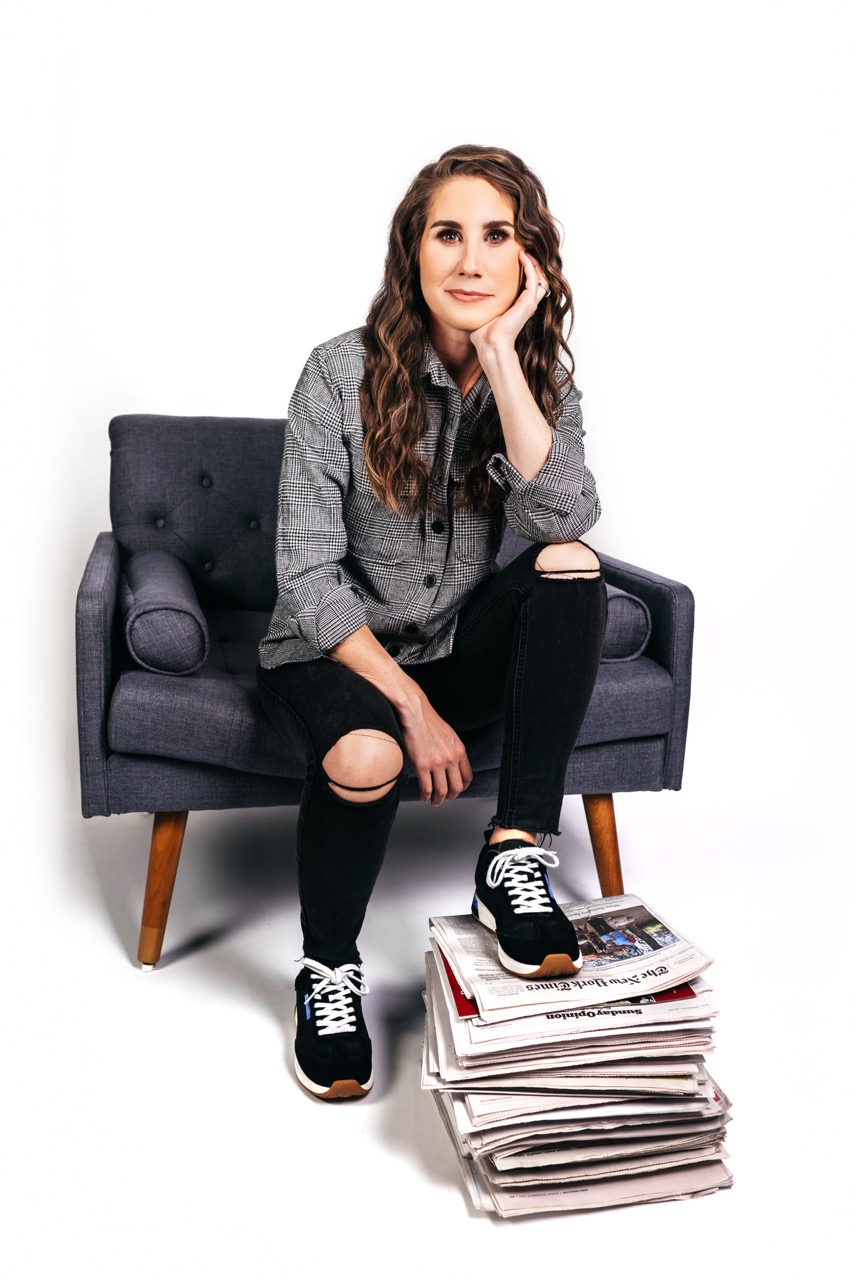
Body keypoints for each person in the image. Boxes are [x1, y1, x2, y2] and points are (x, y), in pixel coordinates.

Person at [257, 145, 608, 1101]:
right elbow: (303, 572)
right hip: (332, 654)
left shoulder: (536, 382)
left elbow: (565, 518)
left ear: (528, 260)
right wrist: (411, 708)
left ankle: (514, 854)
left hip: (454, 643)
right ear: (412, 251)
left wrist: (502, 357)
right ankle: (328, 969)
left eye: (496, 235)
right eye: (447, 233)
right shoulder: (338, 372)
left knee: (570, 568)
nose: (469, 259)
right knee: (369, 750)